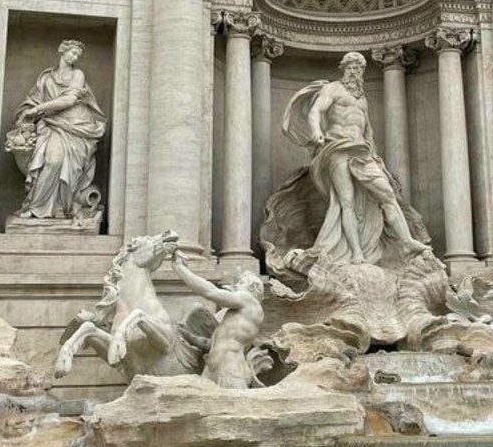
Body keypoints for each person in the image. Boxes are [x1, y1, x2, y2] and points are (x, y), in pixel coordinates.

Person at [282, 51, 427, 265]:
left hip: (362, 152)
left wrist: (374, 155)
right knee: (346, 201)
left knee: (387, 194)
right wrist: (316, 131)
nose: (353, 72)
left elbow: (367, 131)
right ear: (343, 69)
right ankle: (356, 252)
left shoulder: (362, 99)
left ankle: (407, 242)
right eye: (350, 67)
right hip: (337, 147)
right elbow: (315, 111)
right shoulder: (333, 89)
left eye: (357, 68)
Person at [7, 39, 106, 223]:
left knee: (60, 164)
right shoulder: (46, 77)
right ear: (62, 51)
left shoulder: (78, 74)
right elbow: (33, 100)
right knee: (53, 161)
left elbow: (69, 100)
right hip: (51, 124)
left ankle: (61, 209)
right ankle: (36, 207)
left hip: (76, 127)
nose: (75, 57)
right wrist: (28, 113)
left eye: (78, 55)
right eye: (73, 53)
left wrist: (38, 109)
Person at [172, 249, 265, 389]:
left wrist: (181, 269)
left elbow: (211, 292)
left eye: (240, 283)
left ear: (253, 287)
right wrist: (186, 334)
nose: (235, 287)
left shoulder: (249, 301)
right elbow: (209, 344)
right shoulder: (235, 316)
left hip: (231, 369)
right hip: (212, 370)